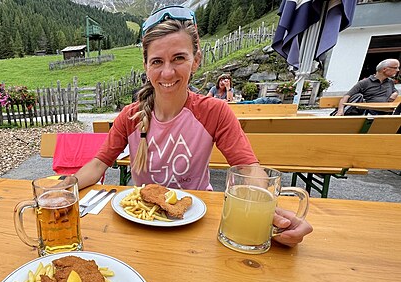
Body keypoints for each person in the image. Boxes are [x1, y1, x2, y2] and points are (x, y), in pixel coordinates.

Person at [74, 5, 312, 247]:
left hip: (198, 221)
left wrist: (266, 207)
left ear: (196, 60)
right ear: (146, 67)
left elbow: (248, 169)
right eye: (157, 61)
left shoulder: (214, 111)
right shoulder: (130, 116)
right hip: (141, 221)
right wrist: (66, 187)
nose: (167, 72)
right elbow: (97, 164)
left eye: (179, 58)